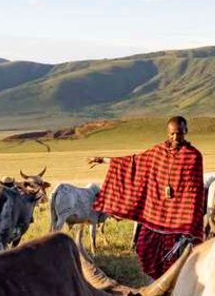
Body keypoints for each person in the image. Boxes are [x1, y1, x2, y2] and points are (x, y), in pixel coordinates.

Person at [87, 116, 205, 279]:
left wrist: (190, 224)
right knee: (143, 248)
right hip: (155, 216)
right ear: (167, 132)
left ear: (186, 131)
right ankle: (153, 288)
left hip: (179, 221)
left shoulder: (194, 156)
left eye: (179, 133)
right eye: (172, 134)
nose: (175, 138)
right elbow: (133, 163)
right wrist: (103, 160)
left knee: (176, 260)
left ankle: (173, 292)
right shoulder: (157, 152)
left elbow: (195, 192)